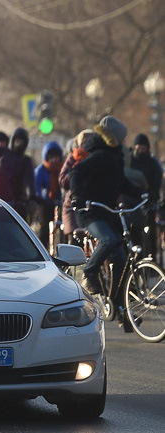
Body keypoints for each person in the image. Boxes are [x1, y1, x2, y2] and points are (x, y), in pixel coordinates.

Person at [69, 116, 142, 309]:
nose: (125, 140)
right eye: (123, 137)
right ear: (115, 137)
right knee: (109, 240)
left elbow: (121, 183)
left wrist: (143, 194)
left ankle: (118, 303)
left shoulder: (115, 157)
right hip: (90, 212)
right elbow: (76, 172)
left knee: (121, 259)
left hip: (106, 212)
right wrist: (77, 195)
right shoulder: (101, 155)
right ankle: (89, 273)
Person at [127, 133, 162, 261]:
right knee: (133, 230)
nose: (141, 150)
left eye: (144, 148)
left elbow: (157, 180)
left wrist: (153, 195)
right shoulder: (129, 161)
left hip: (149, 200)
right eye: (138, 147)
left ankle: (153, 258)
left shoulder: (152, 162)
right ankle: (137, 258)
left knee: (152, 232)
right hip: (133, 201)